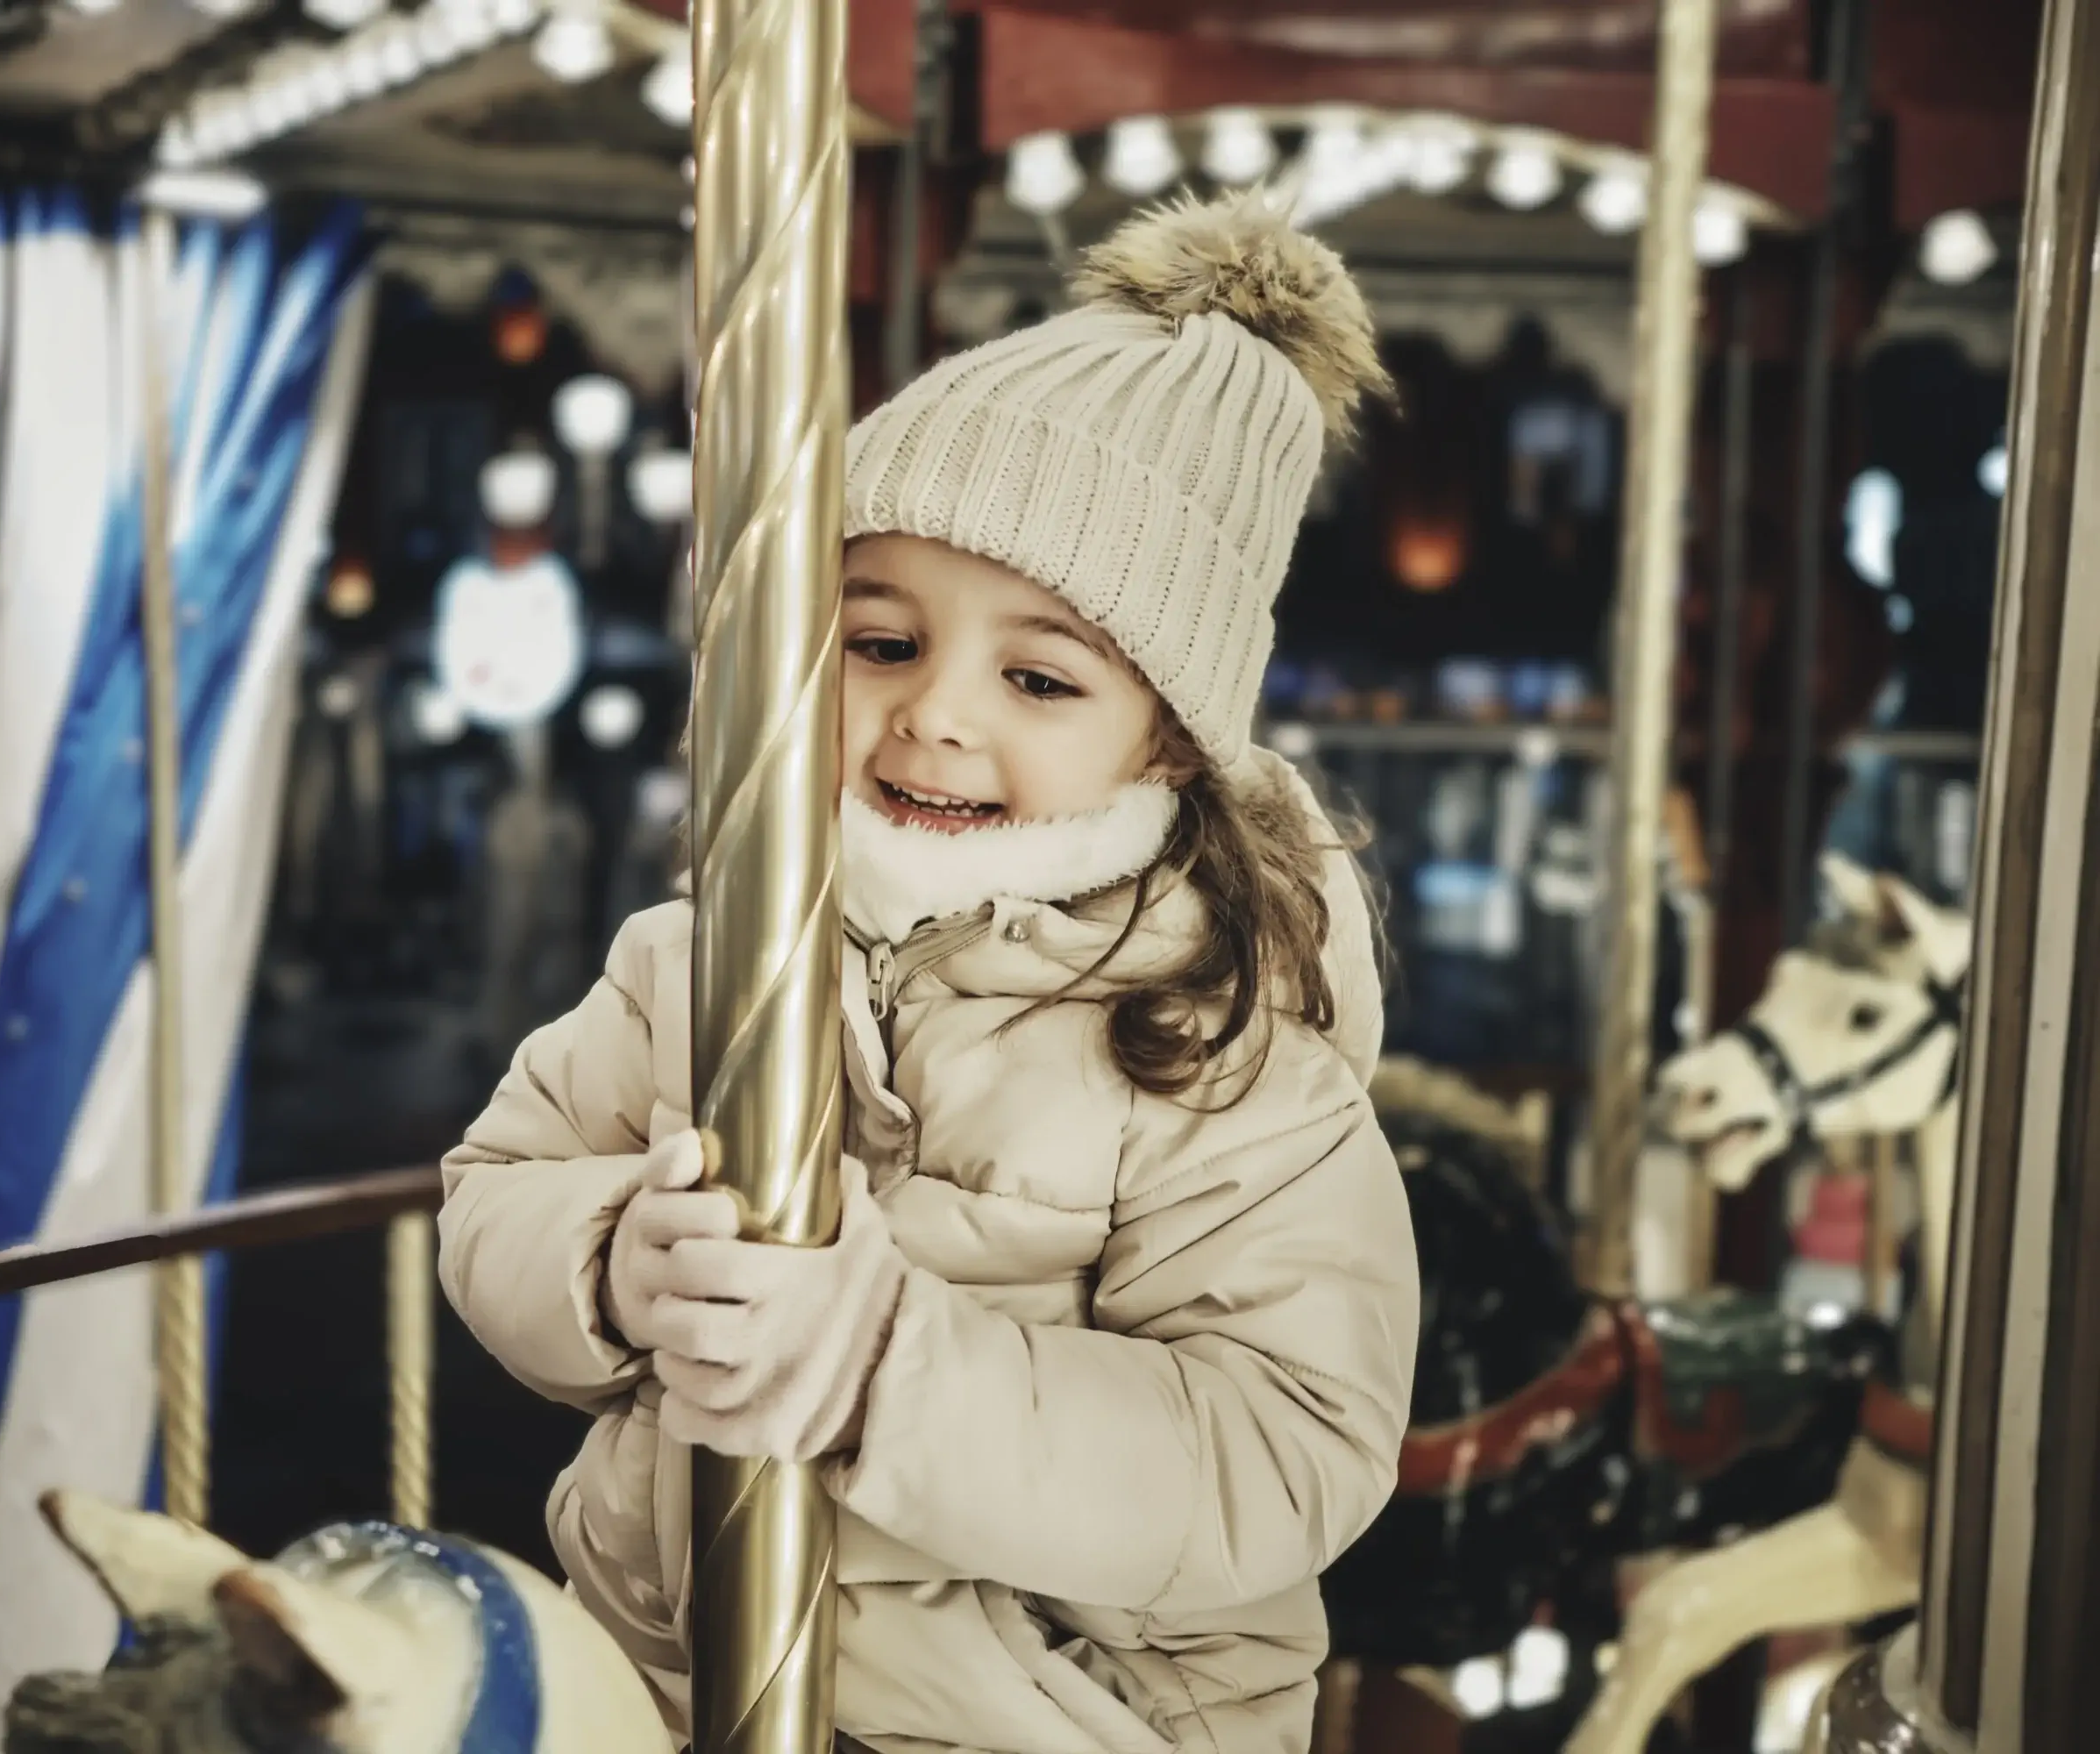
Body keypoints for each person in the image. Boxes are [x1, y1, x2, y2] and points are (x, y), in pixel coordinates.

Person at [438, 193, 1419, 1754]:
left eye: (1036, 676)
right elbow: (495, 1185)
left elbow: (1286, 1446)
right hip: (678, 1666)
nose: (936, 717)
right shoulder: (708, 948)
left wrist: (894, 1373)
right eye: (882, 643)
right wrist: (613, 1263)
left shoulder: (1227, 1042)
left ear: (1167, 732)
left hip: (1053, 1718)